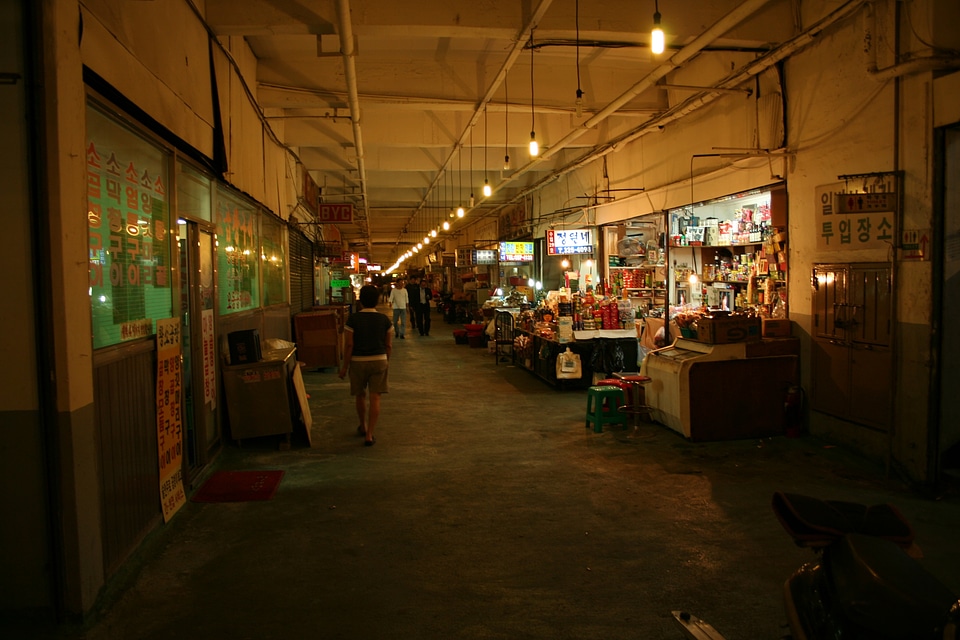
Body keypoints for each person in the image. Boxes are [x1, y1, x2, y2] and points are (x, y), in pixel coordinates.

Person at [339, 284, 393, 446]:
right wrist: (386, 361)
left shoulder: (353, 319)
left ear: (360, 301)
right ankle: (370, 434)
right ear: (377, 300)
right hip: (379, 360)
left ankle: (362, 426)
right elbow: (388, 345)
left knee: (360, 395)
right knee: (375, 397)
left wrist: (344, 367)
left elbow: (349, 345)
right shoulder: (384, 320)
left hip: (358, 362)